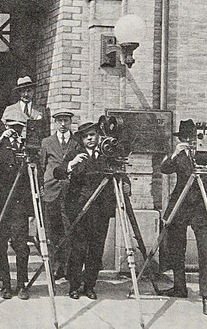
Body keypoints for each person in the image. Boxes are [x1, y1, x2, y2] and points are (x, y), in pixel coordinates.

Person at [54, 122, 128, 300]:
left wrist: (127, 184)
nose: (90, 138)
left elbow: (121, 171)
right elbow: (58, 172)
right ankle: (74, 285)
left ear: (98, 136)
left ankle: (89, 285)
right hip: (79, 210)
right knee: (78, 249)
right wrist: (71, 164)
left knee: (96, 250)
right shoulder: (75, 153)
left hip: (100, 210)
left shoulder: (107, 153)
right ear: (81, 138)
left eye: (93, 135)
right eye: (86, 136)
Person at [160, 119, 207, 315]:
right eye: (185, 138)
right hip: (180, 207)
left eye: (193, 137)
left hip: (202, 209)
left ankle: (206, 297)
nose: (190, 141)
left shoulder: (206, 156)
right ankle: (180, 287)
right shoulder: (178, 156)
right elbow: (164, 169)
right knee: (176, 248)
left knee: (205, 253)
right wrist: (175, 152)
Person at [0, 108, 33, 300]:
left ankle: (22, 284)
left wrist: (25, 149)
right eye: (12, 127)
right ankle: (5, 283)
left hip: (18, 203)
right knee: (0, 245)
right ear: (5, 126)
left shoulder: (26, 146)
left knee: (21, 245)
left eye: (19, 128)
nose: (15, 131)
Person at [39, 110, 76, 280]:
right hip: (51, 190)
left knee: (69, 229)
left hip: (71, 191)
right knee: (51, 230)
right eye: (60, 121)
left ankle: (67, 267)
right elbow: (41, 166)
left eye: (66, 121)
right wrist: (41, 186)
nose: (63, 124)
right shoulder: (46, 142)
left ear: (70, 122)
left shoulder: (77, 142)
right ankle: (54, 266)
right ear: (55, 122)